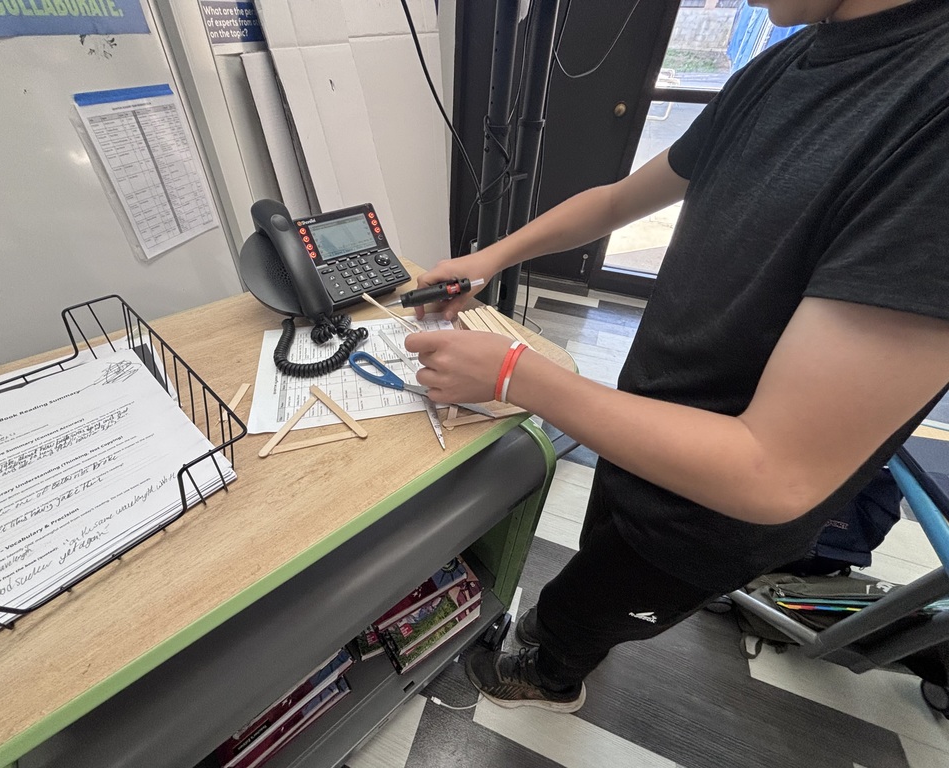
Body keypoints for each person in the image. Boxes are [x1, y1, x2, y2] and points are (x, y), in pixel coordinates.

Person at [402, 0, 949, 712]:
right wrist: (490, 256)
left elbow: (772, 471)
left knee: (592, 607)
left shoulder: (928, 121)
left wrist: (514, 374)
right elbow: (621, 198)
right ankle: (561, 629)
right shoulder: (795, 57)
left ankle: (550, 674)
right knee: (597, 561)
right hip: (639, 421)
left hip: (711, 514)